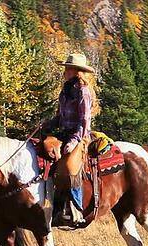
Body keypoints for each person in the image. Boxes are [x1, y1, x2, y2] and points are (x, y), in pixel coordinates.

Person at [42, 53, 96, 225]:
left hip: (80, 135)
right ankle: (52, 203)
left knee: (70, 165)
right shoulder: (65, 91)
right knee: (43, 152)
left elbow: (85, 121)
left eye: (68, 68)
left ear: (77, 71)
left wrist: (74, 142)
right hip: (64, 133)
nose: (65, 71)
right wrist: (46, 123)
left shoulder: (83, 91)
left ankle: (77, 210)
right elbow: (59, 117)